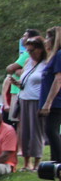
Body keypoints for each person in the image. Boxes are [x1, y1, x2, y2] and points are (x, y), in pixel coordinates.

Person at [7, 36, 48, 171]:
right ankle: (26, 162)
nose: (30, 53)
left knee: (36, 131)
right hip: (24, 98)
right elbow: (25, 81)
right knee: (24, 131)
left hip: (37, 100)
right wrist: (17, 83)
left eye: (32, 50)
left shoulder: (46, 63)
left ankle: (37, 162)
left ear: (40, 49)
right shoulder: (28, 62)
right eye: (28, 50)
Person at [39, 26, 61, 162]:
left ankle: (58, 160)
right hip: (50, 101)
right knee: (50, 131)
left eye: (47, 37)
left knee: (51, 130)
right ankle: (55, 161)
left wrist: (48, 103)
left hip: (56, 101)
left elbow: (58, 79)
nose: (45, 40)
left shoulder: (59, 55)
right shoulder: (53, 57)